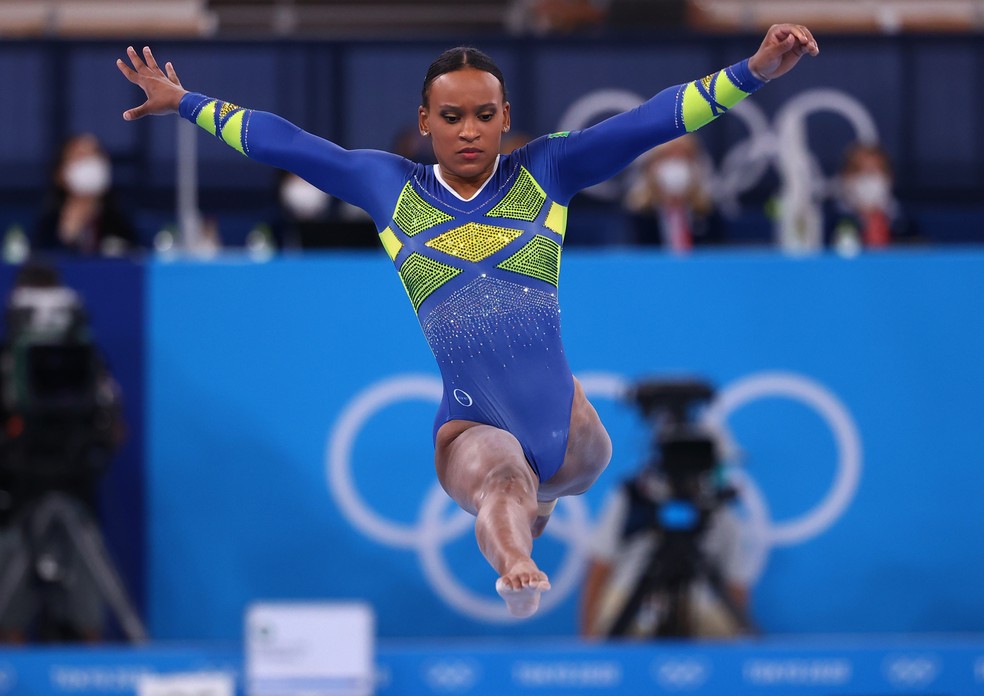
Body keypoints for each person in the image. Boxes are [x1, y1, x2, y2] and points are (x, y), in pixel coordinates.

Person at [116, 24, 818, 618]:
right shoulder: (388, 187)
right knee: (502, 479)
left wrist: (752, 72)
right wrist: (185, 103)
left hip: (572, 440)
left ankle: (531, 514)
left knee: (577, 460)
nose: (469, 131)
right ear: (425, 122)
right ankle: (517, 562)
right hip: (471, 422)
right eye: (450, 117)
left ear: (505, 115)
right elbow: (285, 143)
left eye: (484, 114)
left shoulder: (549, 171)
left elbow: (653, 119)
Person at [33, 133, 138, 257]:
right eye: (80, 157)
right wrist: (68, 234)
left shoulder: (123, 219)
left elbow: (139, 256)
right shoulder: (47, 223)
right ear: (60, 174)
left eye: (94, 155)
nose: (90, 163)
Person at [623, 133, 725, 250]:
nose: (676, 164)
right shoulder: (637, 216)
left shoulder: (710, 214)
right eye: (667, 156)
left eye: (684, 156)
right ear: (650, 167)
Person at [826, 141, 920, 252]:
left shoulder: (907, 225)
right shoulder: (828, 224)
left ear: (889, 177)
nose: (868, 179)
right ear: (845, 177)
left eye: (874, 172)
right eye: (859, 171)